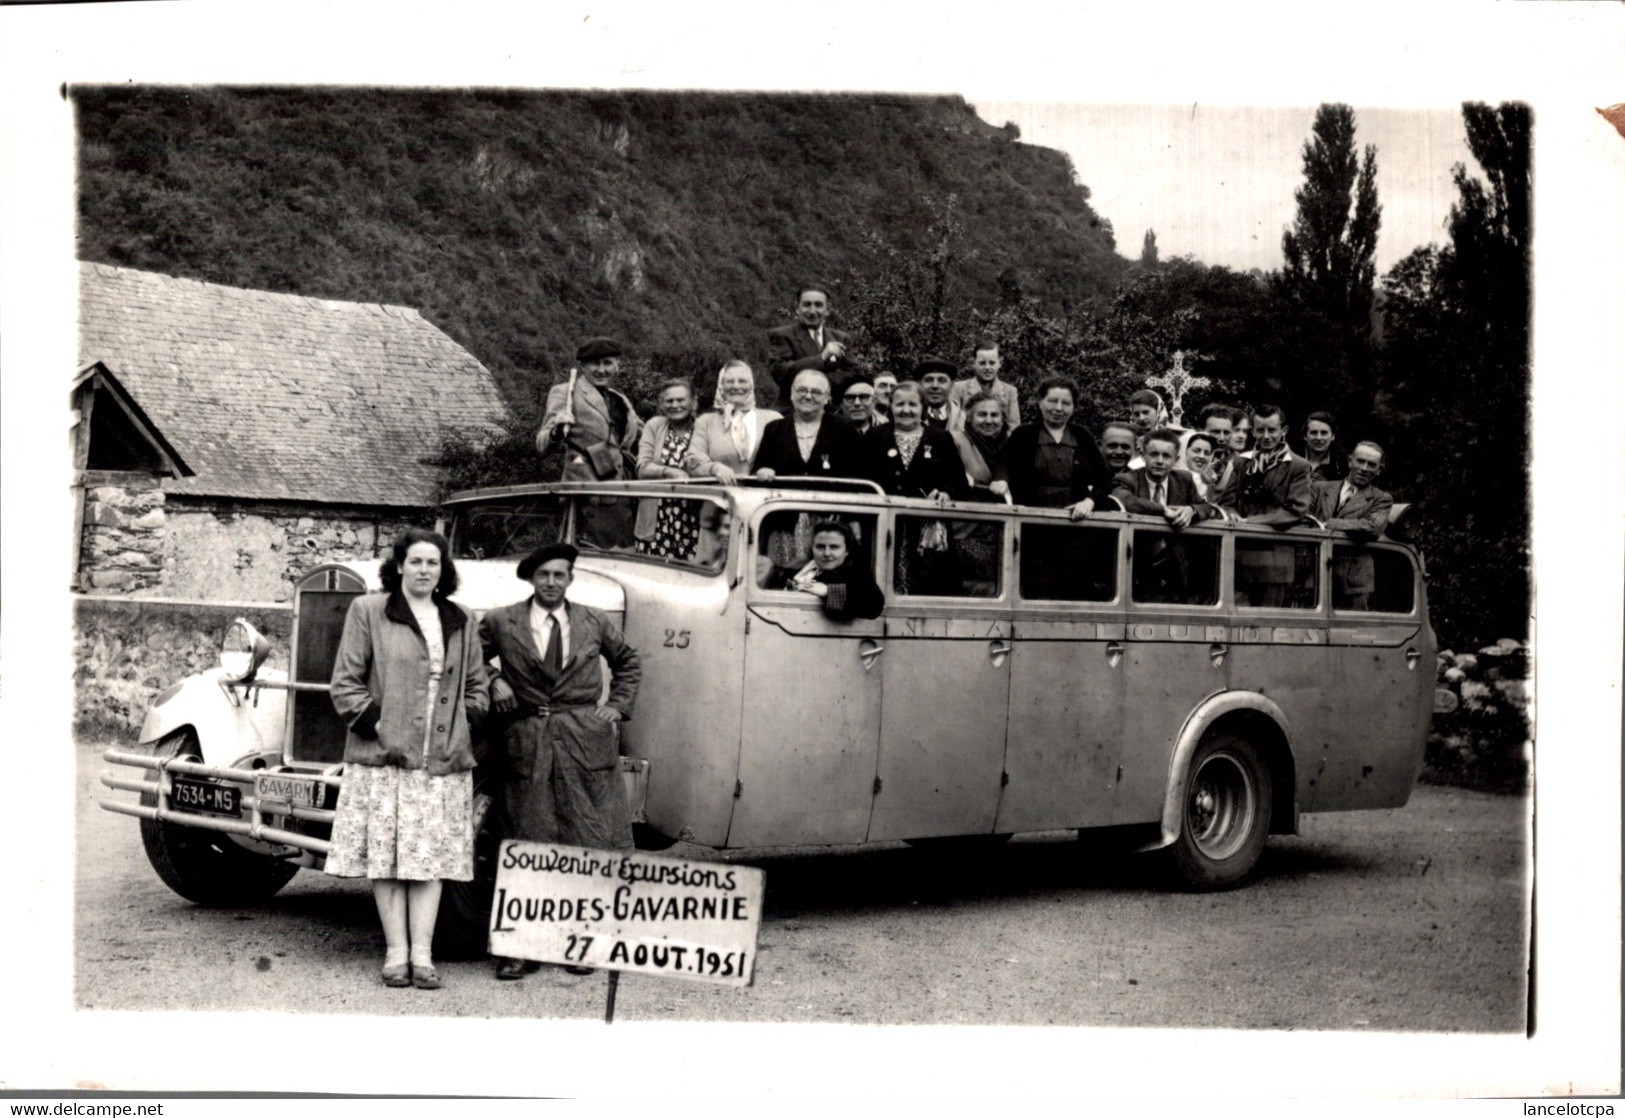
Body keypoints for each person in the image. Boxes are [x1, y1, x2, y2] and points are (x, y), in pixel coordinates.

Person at [327, 529, 490, 991]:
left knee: (429, 860)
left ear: (443, 571)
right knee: (388, 857)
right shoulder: (369, 611)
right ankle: (395, 953)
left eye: (432, 563)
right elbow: (345, 683)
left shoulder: (460, 619)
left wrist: (464, 723)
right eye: (415, 562)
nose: (423, 570)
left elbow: (476, 686)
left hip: (440, 762)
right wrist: (380, 727)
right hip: (385, 759)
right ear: (399, 566)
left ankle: (424, 955)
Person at [479, 543, 642, 981]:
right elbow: (469, 661)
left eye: (560, 575)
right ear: (531, 579)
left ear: (571, 579)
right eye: (543, 575)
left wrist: (616, 706)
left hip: (582, 740)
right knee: (524, 840)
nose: (551, 582)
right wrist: (494, 681)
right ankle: (520, 947)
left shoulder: (592, 621)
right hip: (526, 738)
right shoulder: (501, 620)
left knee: (584, 838)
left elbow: (628, 661)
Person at [990, 375, 1112, 517]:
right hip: (1029, 518)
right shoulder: (1023, 434)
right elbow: (1001, 463)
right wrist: (1001, 480)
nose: (1058, 408)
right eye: (1052, 401)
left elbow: (1104, 480)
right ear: (1040, 402)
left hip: (1074, 520)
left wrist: (1089, 502)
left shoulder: (1082, 435)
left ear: (1074, 407)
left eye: (1066, 403)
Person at [536, 337, 642, 480]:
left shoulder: (620, 400)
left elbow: (646, 434)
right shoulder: (566, 393)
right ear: (583, 366)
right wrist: (556, 432)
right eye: (595, 363)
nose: (601, 370)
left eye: (607, 363)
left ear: (617, 366)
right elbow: (542, 446)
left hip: (624, 492)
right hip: (585, 495)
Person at [1310, 441, 1394, 611]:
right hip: (1313, 576)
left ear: (1379, 470)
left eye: (1372, 465)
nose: (1364, 468)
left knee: (1353, 634)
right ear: (1350, 461)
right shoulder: (1320, 488)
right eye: (1360, 461)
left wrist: (1330, 524)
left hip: (1353, 584)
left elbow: (1372, 527)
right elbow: (1303, 517)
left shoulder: (1381, 498)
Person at [860, 381, 966, 504]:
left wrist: (946, 493)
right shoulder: (875, 436)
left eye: (913, 404)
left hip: (927, 516)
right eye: (900, 404)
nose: (906, 410)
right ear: (891, 406)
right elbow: (863, 477)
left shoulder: (940, 438)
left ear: (923, 407)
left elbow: (957, 480)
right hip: (883, 514)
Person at [752, 369, 865, 482]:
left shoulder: (844, 429)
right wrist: (764, 471)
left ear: (827, 398)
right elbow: (759, 470)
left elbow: (858, 475)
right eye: (802, 390)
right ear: (792, 394)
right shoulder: (774, 429)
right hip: (786, 498)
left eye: (816, 392)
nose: (808, 396)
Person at [634, 379, 702, 560]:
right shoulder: (654, 426)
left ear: (693, 402)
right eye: (669, 401)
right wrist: (669, 472)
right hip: (657, 518)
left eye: (681, 400)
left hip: (692, 517)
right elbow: (642, 467)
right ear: (661, 404)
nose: (675, 405)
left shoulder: (703, 427)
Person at [686, 360, 781, 485]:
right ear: (721, 386)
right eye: (730, 381)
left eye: (742, 381)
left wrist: (772, 469)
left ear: (751, 386)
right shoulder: (705, 421)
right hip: (721, 498)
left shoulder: (773, 419)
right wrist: (715, 468)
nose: (736, 386)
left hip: (764, 499)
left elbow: (787, 459)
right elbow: (693, 461)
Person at [766, 284, 856, 405]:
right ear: (797, 309)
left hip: (833, 412)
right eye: (807, 304)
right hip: (793, 411)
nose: (812, 311)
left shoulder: (841, 338)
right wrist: (821, 358)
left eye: (818, 305)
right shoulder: (782, 335)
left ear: (827, 310)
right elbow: (781, 373)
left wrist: (821, 384)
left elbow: (854, 373)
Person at [1112, 428, 1217, 529]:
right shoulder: (1126, 479)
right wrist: (1163, 510)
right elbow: (1126, 502)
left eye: (1166, 456)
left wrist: (1191, 510)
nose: (1160, 461)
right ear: (1143, 456)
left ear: (1176, 460)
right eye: (1154, 454)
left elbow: (1205, 506)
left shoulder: (1184, 479)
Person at [783, 520, 885, 621]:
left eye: (834, 547)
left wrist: (828, 591)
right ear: (812, 548)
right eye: (820, 547)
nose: (827, 553)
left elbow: (874, 605)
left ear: (846, 551)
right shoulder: (801, 567)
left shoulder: (854, 574)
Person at [948, 341, 1020, 434]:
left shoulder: (1010, 391)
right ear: (973, 363)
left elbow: (1013, 428)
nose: (987, 367)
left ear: (1000, 363)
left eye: (992, 363)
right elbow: (954, 426)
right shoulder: (958, 389)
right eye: (982, 363)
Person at [954, 391, 1012, 499]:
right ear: (969, 418)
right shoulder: (956, 441)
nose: (988, 421)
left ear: (1003, 419)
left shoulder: (1015, 444)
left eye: (994, 415)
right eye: (982, 414)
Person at [915, 359, 963, 432]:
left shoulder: (962, 418)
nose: (935, 386)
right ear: (919, 384)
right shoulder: (910, 414)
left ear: (952, 386)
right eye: (929, 380)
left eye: (942, 380)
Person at [1300, 411, 1347, 483]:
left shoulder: (1341, 467)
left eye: (1324, 433)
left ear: (1332, 436)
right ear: (1305, 436)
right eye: (1314, 432)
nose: (1319, 438)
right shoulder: (1291, 460)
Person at [1181, 432, 1221, 500]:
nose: (1202, 456)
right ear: (1184, 451)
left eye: (1207, 453)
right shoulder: (1173, 479)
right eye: (1196, 451)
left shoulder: (1210, 480)